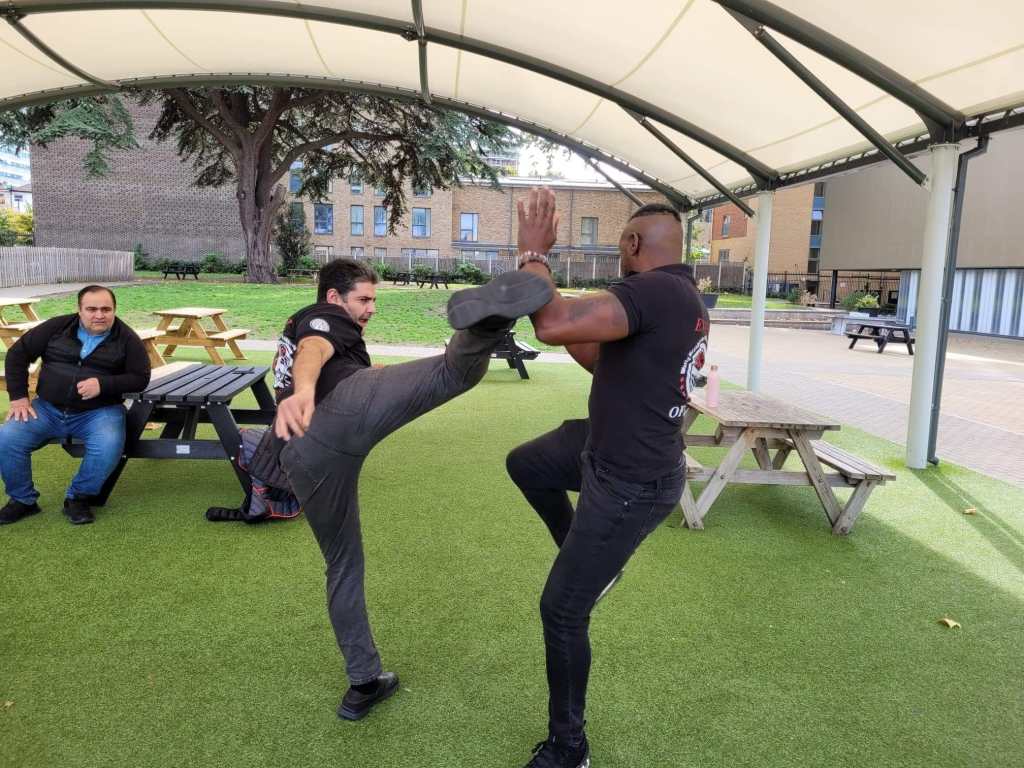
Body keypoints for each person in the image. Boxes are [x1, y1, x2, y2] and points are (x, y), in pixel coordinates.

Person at [272, 258, 553, 721]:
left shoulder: (306, 326)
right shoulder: (322, 317)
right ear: (334, 297)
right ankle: (492, 320)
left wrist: (312, 391)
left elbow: (325, 357)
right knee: (454, 373)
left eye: (373, 299)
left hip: (301, 454)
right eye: (364, 299)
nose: (371, 308)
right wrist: (305, 390)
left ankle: (363, 682)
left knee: (342, 564)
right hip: (338, 410)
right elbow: (314, 347)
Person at [506, 190, 709, 768]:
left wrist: (533, 254)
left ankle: (569, 748)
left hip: (630, 483)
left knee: (562, 611)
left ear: (633, 243)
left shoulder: (654, 290)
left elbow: (553, 324)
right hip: (604, 450)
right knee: (527, 463)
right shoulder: (683, 296)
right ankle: (595, 565)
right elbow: (597, 355)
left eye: (620, 244)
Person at [0, 285, 151, 526]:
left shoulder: (127, 338)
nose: (99, 315)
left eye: (106, 309)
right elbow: (18, 354)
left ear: (114, 310)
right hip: (47, 409)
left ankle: (78, 498)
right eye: (91, 309)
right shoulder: (57, 327)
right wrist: (18, 397)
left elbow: (140, 377)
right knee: (7, 437)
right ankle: (22, 500)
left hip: (99, 412)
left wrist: (103, 384)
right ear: (79, 310)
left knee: (109, 444)